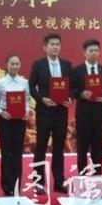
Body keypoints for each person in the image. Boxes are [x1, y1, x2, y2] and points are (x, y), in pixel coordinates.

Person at [29, 33, 72, 194]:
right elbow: (31, 86)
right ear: (45, 47)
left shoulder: (67, 65)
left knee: (59, 147)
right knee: (41, 146)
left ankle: (59, 182)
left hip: (61, 111)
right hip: (44, 111)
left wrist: (70, 98)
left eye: (57, 44)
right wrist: (42, 99)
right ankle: (38, 182)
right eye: (52, 44)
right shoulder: (38, 65)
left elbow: (72, 86)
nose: (55, 47)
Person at [71, 38, 102, 175]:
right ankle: (82, 176)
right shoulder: (77, 70)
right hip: (83, 113)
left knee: (98, 147)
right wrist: (81, 94)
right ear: (85, 52)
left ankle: (97, 176)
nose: (94, 53)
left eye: (96, 50)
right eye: (91, 50)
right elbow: (71, 91)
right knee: (82, 147)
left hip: (99, 113)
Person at [0, 55, 30, 196]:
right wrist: (1, 113)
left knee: (17, 153)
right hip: (5, 120)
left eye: (17, 64)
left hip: (20, 121)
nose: (15, 66)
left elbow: (27, 100)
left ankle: (16, 186)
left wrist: (27, 111)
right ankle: (6, 185)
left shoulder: (24, 82)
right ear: (6, 65)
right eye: (12, 64)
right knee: (6, 153)